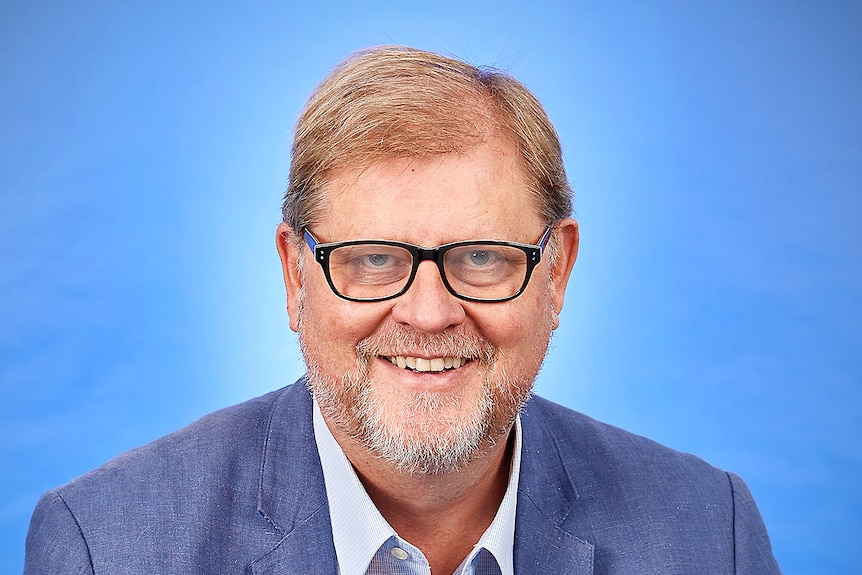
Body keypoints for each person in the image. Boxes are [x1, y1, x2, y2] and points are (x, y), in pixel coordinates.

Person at [24, 45, 782, 575]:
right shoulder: (107, 545)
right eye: (375, 258)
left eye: (482, 256)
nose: (428, 312)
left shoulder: (711, 533)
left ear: (557, 275)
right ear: (295, 276)